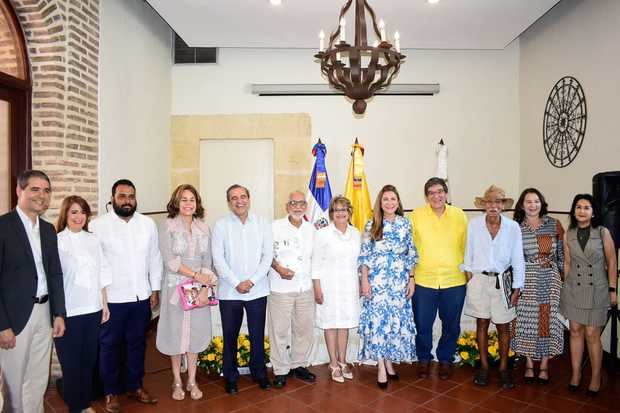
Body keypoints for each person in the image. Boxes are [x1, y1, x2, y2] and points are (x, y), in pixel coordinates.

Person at [90, 179, 162, 413]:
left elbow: (154, 257)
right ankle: (110, 392)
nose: (127, 200)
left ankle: (135, 386)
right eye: (122, 196)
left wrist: (154, 288)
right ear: (112, 199)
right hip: (112, 299)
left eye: (131, 196)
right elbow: (95, 264)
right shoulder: (97, 226)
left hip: (140, 296)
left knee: (137, 345)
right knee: (109, 346)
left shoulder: (147, 224)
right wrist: (100, 299)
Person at [0, 169, 66, 413]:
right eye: (35, 189)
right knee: (13, 382)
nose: (42, 195)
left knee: (38, 378)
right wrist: (2, 325)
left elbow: (55, 274)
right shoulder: (3, 227)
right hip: (15, 318)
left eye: (47, 190)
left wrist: (59, 313)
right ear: (19, 191)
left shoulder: (48, 230)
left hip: (45, 311)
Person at [156, 184, 216, 401]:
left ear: (197, 203)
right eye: (184, 199)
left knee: (195, 333)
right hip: (175, 285)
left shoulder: (204, 228)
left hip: (198, 288)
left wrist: (204, 286)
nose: (188, 203)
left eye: (192, 199)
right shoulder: (167, 226)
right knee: (175, 334)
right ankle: (177, 380)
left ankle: (192, 379)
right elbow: (169, 260)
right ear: (176, 202)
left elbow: (208, 260)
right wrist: (195, 275)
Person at [212, 184, 273, 394]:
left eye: (243, 196)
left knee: (257, 334)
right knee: (230, 335)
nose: (239, 201)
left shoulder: (262, 223)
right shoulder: (221, 225)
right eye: (234, 198)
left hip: (258, 290)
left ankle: (259, 373)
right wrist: (237, 282)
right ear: (229, 202)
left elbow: (267, 256)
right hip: (230, 291)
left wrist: (253, 281)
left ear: (249, 198)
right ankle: (230, 376)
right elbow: (218, 259)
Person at [463, 185, 525, 389]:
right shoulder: (473, 225)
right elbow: (468, 252)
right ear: (484, 205)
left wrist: (517, 286)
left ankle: (504, 368)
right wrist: (469, 275)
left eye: (497, 202)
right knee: (482, 323)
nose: (493, 206)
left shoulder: (512, 227)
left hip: (503, 281)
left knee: (503, 325)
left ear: (503, 206)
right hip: (479, 279)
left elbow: (518, 258)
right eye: (489, 202)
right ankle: (483, 366)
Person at [55, 195, 111, 413]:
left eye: (83, 212)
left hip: (93, 308)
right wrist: (56, 312)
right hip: (68, 311)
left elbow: (102, 273)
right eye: (74, 212)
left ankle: (84, 404)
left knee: (88, 361)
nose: (79, 217)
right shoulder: (57, 241)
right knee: (70, 364)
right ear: (66, 215)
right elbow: (53, 280)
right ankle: (76, 407)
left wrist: (104, 304)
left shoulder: (94, 239)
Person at [409, 177, 468, 380]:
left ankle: (445, 359)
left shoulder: (459, 215)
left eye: (440, 191)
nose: (437, 196)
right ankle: (423, 358)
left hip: (454, 280)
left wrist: (468, 270)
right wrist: (410, 275)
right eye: (432, 193)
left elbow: (467, 245)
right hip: (424, 280)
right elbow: (409, 249)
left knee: (451, 324)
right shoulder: (416, 216)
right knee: (423, 324)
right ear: (427, 197)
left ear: (446, 193)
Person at [359, 185, 417, 389]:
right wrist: (364, 281)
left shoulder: (405, 224)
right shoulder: (372, 224)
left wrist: (411, 278)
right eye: (386, 199)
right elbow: (365, 256)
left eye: (393, 199)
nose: (390, 203)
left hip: (399, 282)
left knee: (394, 323)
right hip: (378, 283)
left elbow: (411, 254)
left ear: (398, 202)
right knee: (379, 323)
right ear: (380, 202)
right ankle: (382, 366)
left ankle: (390, 361)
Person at [560, 194, 617, 396]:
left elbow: (611, 262)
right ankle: (576, 374)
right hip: (574, 288)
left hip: (597, 290)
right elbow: (567, 263)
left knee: (593, 334)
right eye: (578, 207)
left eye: (586, 207)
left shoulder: (602, 233)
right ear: (573, 211)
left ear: (593, 213)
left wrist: (612, 290)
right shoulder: (568, 234)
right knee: (575, 331)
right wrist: (565, 288)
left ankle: (595, 377)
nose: (581, 211)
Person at [511, 188, 564, 384]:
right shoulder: (516, 227)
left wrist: (560, 278)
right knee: (526, 320)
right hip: (526, 279)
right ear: (522, 205)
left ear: (541, 203)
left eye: (536, 201)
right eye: (528, 202)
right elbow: (512, 258)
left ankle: (543, 365)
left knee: (548, 321)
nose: (533, 205)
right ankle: (528, 364)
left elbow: (561, 255)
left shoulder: (553, 224)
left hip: (550, 280)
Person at [268, 191, 316, 388]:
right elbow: (265, 253)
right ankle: (280, 369)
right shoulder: (274, 227)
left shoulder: (312, 229)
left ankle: (298, 365)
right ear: (287, 206)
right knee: (279, 330)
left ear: (305, 206)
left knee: (303, 329)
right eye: (293, 203)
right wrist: (278, 268)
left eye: (301, 203)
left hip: (305, 287)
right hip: (281, 288)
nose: (297, 207)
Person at [312, 196, 361, 383]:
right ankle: (333, 363)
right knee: (330, 323)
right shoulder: (322, 233)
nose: (340, 213)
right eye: (336, 210)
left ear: (349, 212)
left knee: (344, 324)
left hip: (349, 286)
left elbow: (360, 262)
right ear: (331, 213)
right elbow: (315, 262)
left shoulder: (356, 233)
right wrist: (317, 287)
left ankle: (343, 360)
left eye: (344, 209)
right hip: (328, 286)